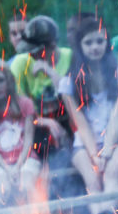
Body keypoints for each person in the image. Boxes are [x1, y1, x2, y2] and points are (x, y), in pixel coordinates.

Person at [58, 16, 118, 214]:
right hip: (85, 143)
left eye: (99, 41)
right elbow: (80, 124)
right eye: (88, 42)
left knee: (111, 173)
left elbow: (117, 116)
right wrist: (95, 155)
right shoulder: (68, 83)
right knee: (92, 180)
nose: (95, 47)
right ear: (80, 46)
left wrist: (107, 151)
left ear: (107, 43)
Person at [0, 59, 41, 205]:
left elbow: (29, 141)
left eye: (0, 80)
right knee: (3, 191)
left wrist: (18, 166)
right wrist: (6, 168)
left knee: (26, 186)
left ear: (9, 81)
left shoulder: (25, 104)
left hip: (25, 158)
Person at [9, 15, 72, 159]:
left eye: (36, 51)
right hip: (36, 126)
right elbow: (17, 108)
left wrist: (50, 71)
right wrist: (42, 121)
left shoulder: (69, 57)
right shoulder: (21, 63)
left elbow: (79, 97)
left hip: (71, 121)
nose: (31, 54)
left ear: (52, 45)